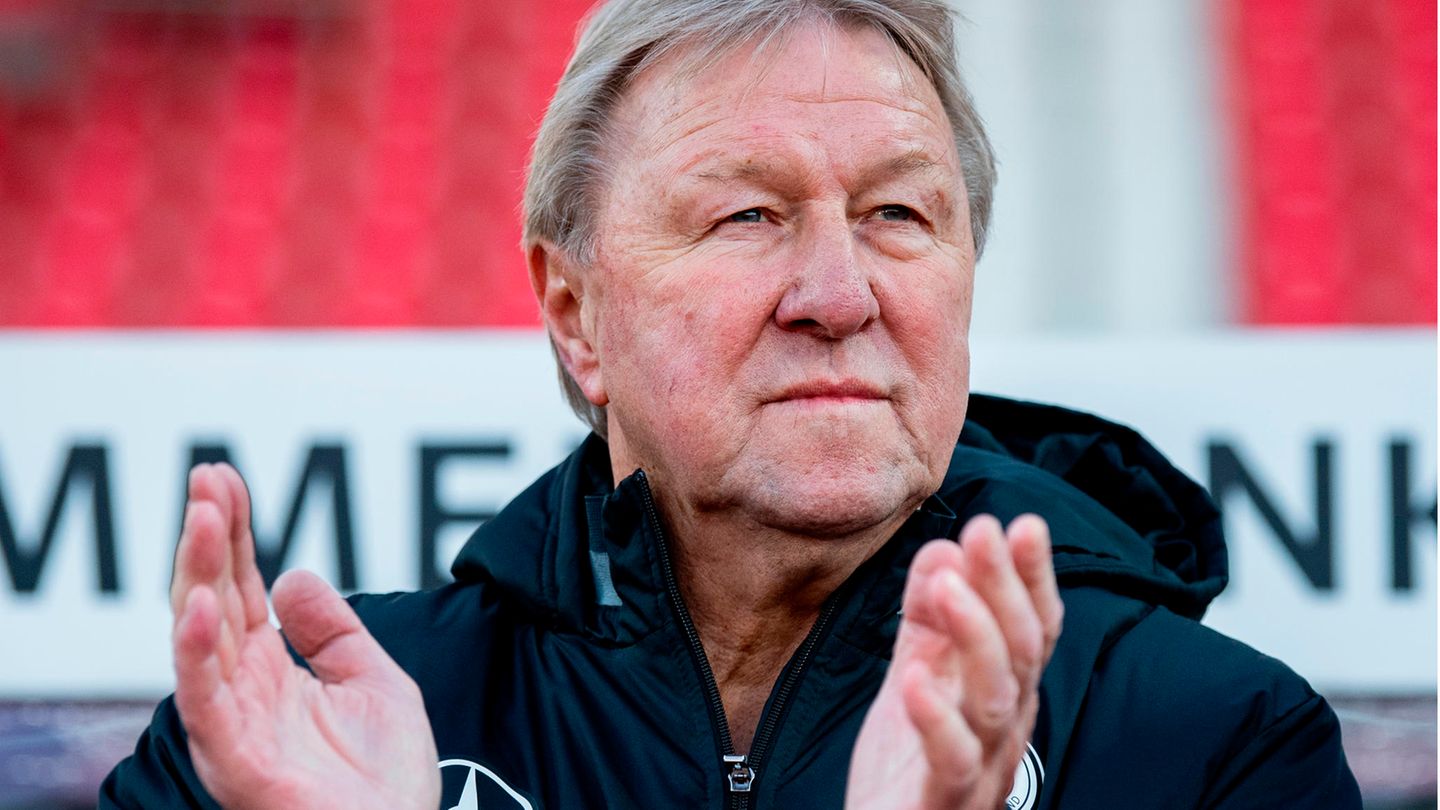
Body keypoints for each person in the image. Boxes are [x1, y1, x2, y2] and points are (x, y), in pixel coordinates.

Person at [101, 0, 1362, 807]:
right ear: (575, 314)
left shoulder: (1220, 742)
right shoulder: (297, 734)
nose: (839, 295)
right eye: (748, 215)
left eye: (898, 214)